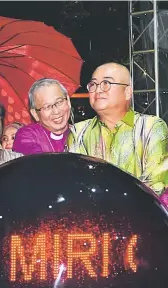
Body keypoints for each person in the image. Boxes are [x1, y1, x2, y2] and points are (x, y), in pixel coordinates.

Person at [67, 62, 168, 195]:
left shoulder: (151, 127)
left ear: (127, 92)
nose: (98, 90)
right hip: (94, 212)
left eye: (106, 83)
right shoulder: (79, 132)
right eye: (93, 84)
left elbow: (155, 183)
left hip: (140, 211)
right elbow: (78, 181)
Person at [12, 78, 72, 155]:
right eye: (47, 107)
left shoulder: (81, 133)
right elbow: (38, 162)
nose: (56, 111)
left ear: (68, 102)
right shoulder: (27, 136)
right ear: (35, 114)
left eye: (59, 102)